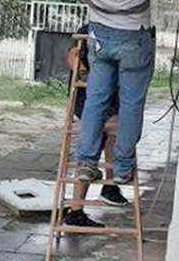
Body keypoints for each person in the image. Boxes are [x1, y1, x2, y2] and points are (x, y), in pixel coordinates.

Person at [72, 0, 179, 219]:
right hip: (132, 36)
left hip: (101, 37)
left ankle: (86, 163)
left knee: (96, 102)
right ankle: (121, 170)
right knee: (131, 103)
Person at [64, 25, 127, 227]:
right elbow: (74, 55)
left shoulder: (122, 30)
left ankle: (109, 187)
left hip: (109, 97)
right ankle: (76, 210)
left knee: (113, 134)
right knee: (97, 138)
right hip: (91, 98)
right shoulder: (91, 29)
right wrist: (84, 73)